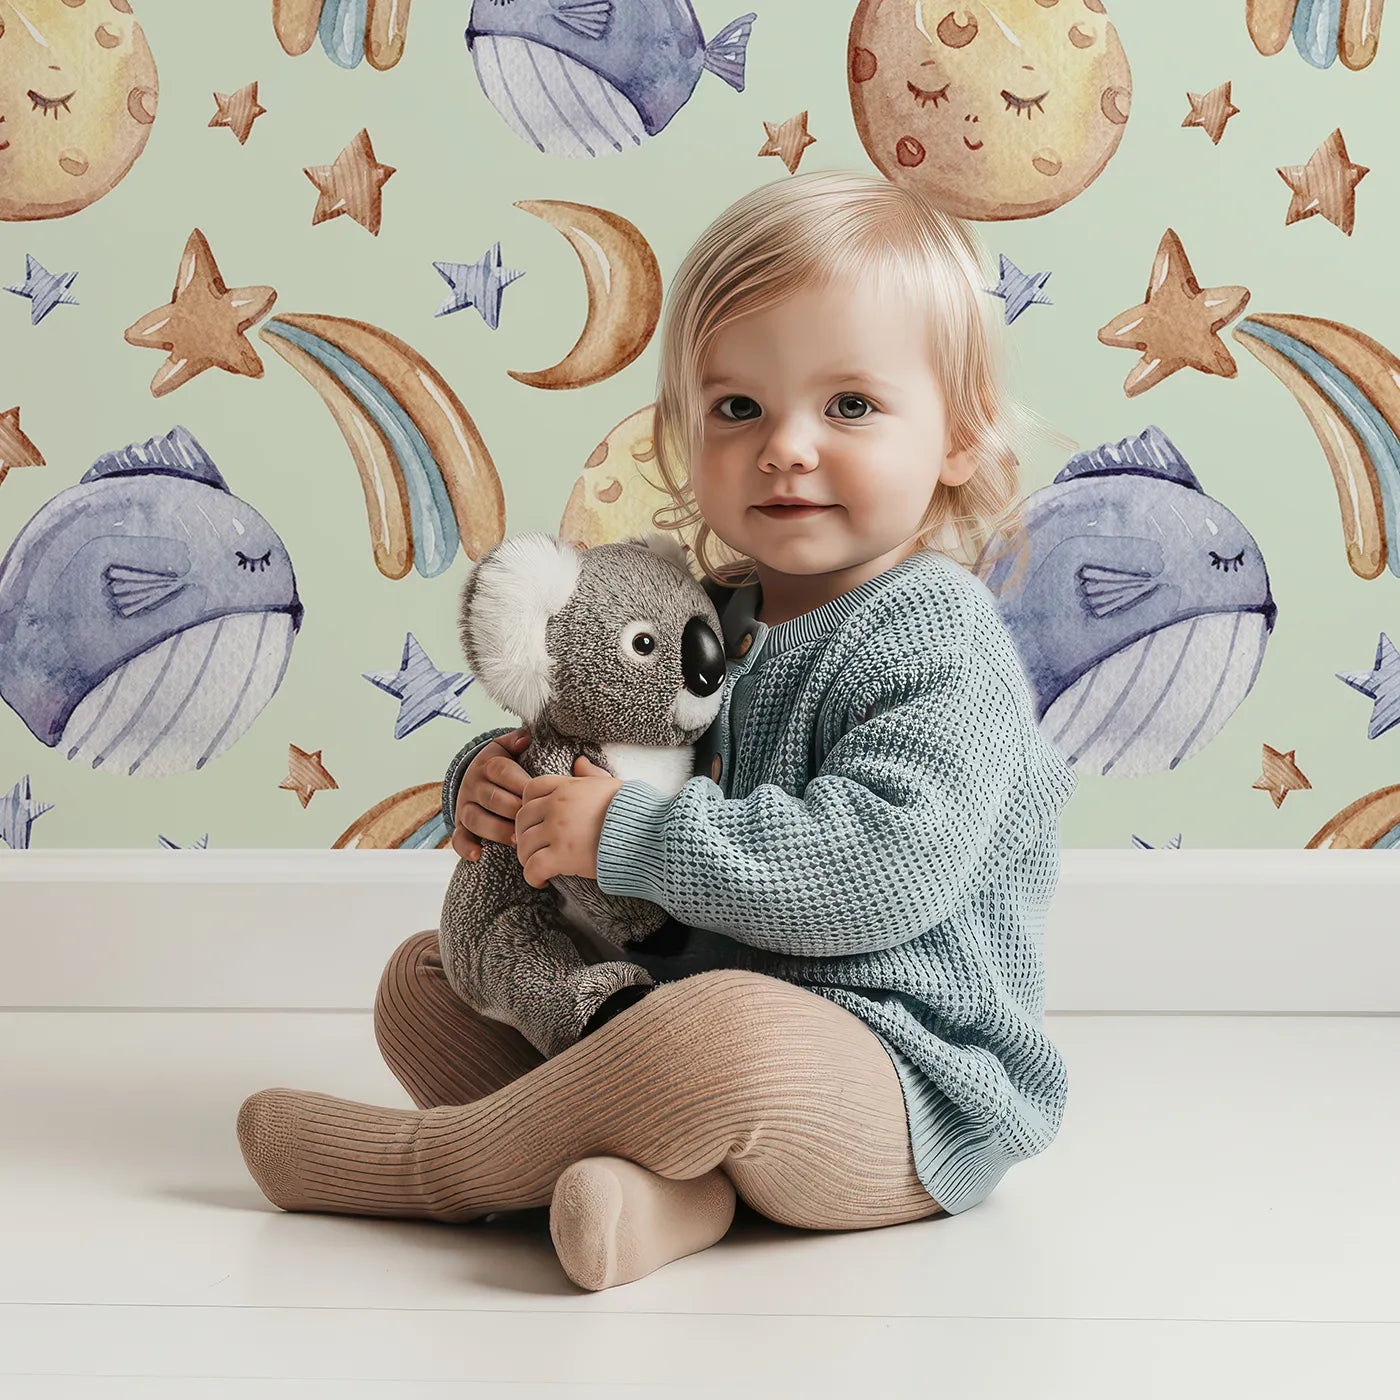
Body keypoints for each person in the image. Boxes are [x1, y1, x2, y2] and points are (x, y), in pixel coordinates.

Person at [236, 169, 1077, 1293]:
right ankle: (669, 1197)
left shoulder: (938, 639)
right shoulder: (701, 611)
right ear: (684, 431)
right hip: (694, 1028)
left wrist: (627, 834)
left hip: (897, 1076)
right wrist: (501, 791)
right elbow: (592, 739)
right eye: (737, 408)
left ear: (959, 437)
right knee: (429, 981)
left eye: (848, 406)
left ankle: (432, 1167)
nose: (784, 446)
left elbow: (877, 870)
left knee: (720, 1033)